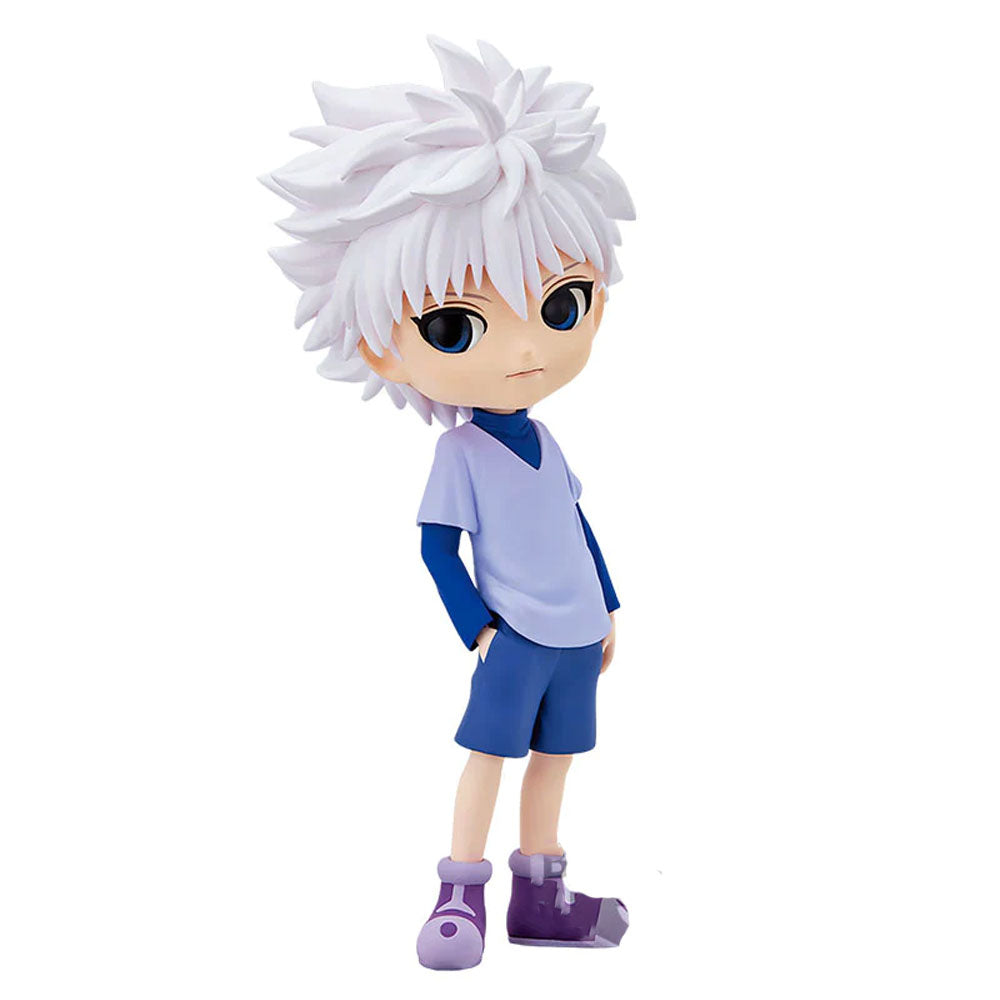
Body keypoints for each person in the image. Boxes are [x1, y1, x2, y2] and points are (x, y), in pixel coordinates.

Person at [264, 35, 635, 970]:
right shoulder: (461, 453)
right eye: (457, 325)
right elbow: (436, 549)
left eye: (559, 306)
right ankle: (459, 894)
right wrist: (478, 630)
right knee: (491, 758)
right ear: (382, 345)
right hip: (513, 635)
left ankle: (541, 897)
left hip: (576, 632)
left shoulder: (548, 441)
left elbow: (575, 521)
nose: (527, 349)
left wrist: (609, 604)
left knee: (556, 762)